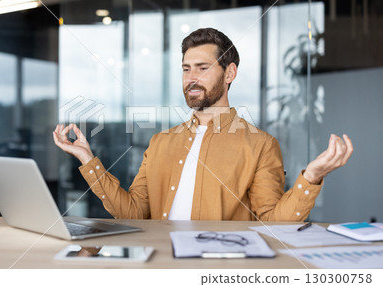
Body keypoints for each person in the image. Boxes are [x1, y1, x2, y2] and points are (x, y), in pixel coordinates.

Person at [53, 28, 353, 221]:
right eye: (186, 69)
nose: (191, 78)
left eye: (202, 68)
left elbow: (274, 224)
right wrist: (87, 158)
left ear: (229, 73)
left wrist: (311, 177)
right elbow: (131, 213)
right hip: (161, 268)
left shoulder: (260, 144)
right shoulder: (160, 142)